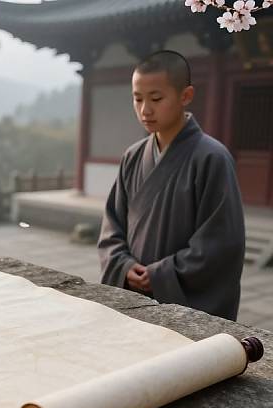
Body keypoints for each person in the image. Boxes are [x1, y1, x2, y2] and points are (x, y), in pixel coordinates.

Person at [97, 50, 245, 321]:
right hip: (133, 294)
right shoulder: (133, 156)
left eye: (156, 98)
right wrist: (124, 265)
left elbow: (221, 245)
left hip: (181, 305)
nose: (145, 110)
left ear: (185, 96)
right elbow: (112, 226)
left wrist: (160, 275)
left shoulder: (213, 158)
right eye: (137, 98)